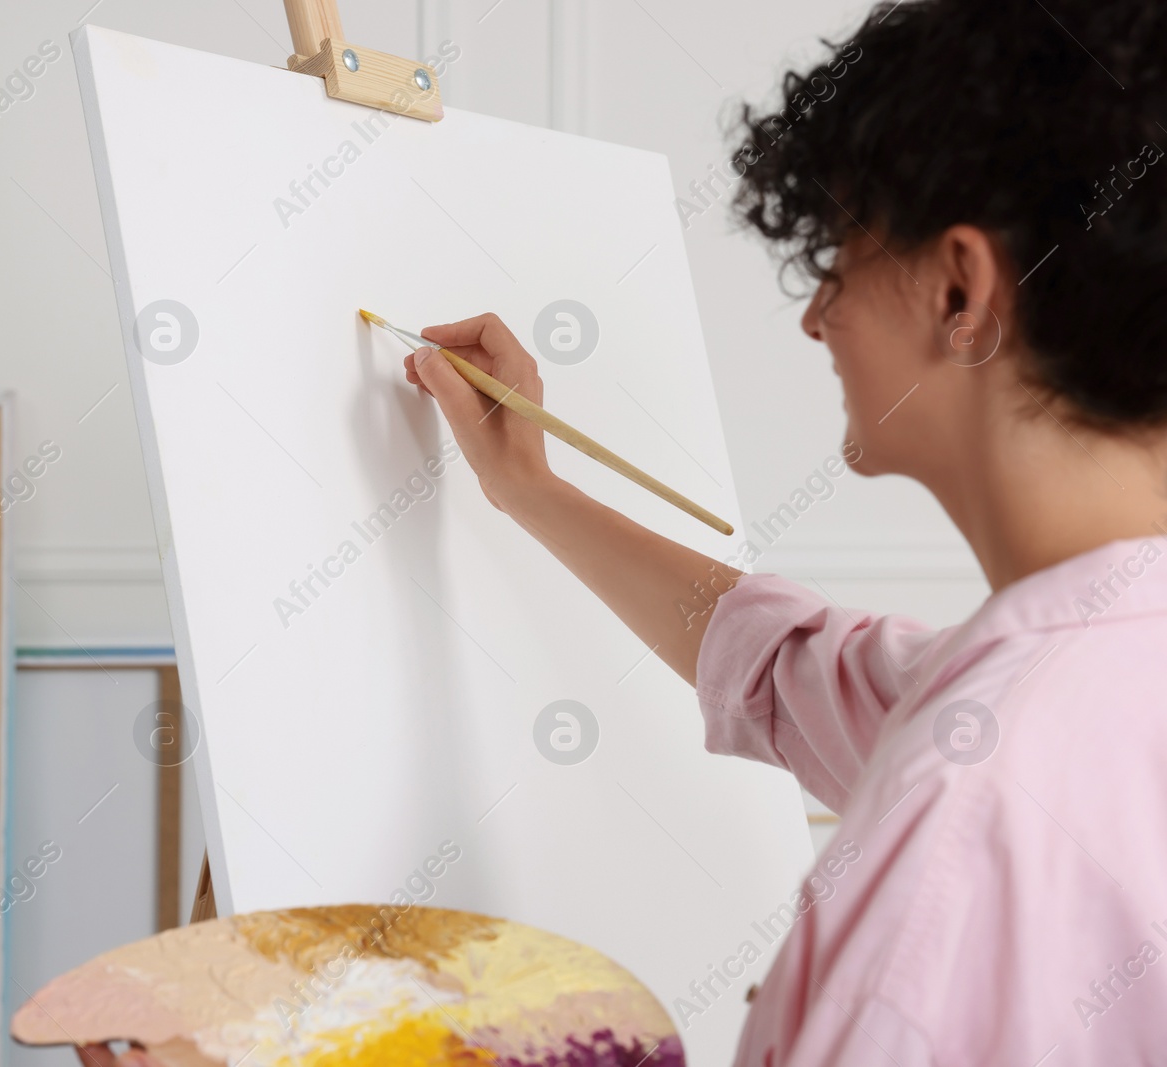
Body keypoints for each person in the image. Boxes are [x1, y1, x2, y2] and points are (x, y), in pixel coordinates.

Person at [403, 0, 1167, 1062]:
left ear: (958, 286)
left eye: (836, 257)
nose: (815, 318)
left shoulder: (965, 811)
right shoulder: (1099, 664)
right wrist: (532, 489)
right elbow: (795, 669)